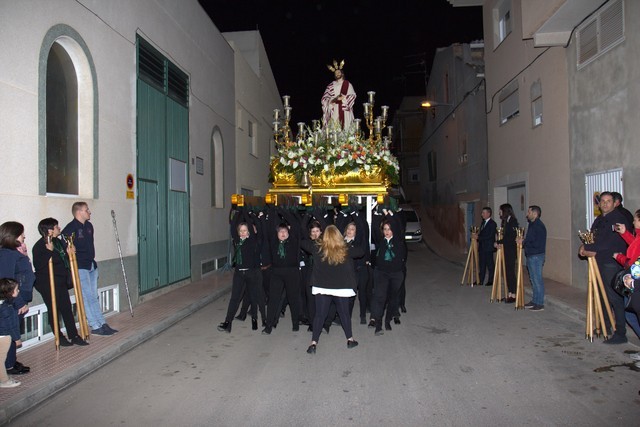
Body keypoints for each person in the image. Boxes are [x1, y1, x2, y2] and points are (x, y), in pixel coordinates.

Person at [579, 191, 631, 344]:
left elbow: (609, 243)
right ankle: (605, 325)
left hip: (611, 263)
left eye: (608, 201)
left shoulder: (617, 219)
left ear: (614, 203)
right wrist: (585, 245)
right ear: (599, 204)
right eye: (602, 201)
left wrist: (588, 246)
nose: (605, 203)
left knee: (614, 297)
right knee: (602, 296)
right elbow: (593, 236)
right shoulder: (600, 219)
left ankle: (621, 333)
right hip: (599, 261)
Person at [301, 225, 362, 354]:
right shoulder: (346, 249)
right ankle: (350, 339)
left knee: (319, 315)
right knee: (344, 314)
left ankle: (313, 343)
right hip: (341, 288)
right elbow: (362, 251)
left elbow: (301, 241)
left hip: (322, 288)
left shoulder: (317, 248)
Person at [62, 202, 118, 336]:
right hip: (81, 266)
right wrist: (69, 248)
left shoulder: (89, 226)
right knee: (88, 296)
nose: (89, 212)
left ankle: (102, 323)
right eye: (87, 210)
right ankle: (95, 325)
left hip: (91, 264)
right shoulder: (70, 228)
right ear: (79, 212)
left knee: (94, 295)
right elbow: (66, 244)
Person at [32, 218, 89, 346]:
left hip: (61, 281)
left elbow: (64, 256)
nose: (59, 228)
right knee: (54, 309)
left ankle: (74, 335)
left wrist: (70, 252)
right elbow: (39, 265)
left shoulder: (57, 241)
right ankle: (59, 336)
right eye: (56, 226)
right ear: (50, 230)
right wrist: (48, 251)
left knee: (67, 307)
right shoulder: (40, 246)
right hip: (47, 283)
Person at [218, 207, 265, 333]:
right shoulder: (237, 241)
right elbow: (233, 226)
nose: (243, 233)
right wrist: (238, 212)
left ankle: (254, 319)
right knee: (235, 298)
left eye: (245, 230)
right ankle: (228, 322)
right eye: (241, 231)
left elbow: (255, 227)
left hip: (251, 273)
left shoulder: (252, 241)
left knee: (253, 296)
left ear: (249, 232)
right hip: (239, 273)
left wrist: (247, 213)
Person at [0, 221, 35, 375]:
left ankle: (12, 360)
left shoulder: (13, 253)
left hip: (18, 298)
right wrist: (19, 302)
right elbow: (7, 281)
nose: (24, 237)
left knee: (14, 331)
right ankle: (8, 365)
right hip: (14, 301)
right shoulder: (7, 255)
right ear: (13, 236)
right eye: (22, 234)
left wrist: (25, 256)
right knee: (10, 332)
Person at [260, 207, 302, 334]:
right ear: (277, 233)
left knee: (293, 298)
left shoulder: (293, 241)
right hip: (276, 273)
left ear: (288, 232)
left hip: (292, 272)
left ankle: (295, 323)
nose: (283, 233)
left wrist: (282, 210)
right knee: (273, 299)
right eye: (280, 231)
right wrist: (273, 209)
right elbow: (270, 226)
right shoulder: (274, 241)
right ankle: (268, 326)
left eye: (285, 231)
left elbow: (295, 224)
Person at [370, 209, 407, 335]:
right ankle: (378, 324)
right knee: (380, 297)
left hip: (396, 274)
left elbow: (397, 225)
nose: (387, 232)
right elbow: (375, 227)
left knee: (392, 299)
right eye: (385, 229)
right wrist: (376, 214)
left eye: (389, 229)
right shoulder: (381, 240)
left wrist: (389, 214)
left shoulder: (398, 240)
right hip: (381, 273)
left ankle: (387, 320)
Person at [612, 209, 640, 338]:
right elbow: (635, 246)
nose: (633, 222)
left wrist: (619, 257)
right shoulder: (638, 235)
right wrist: (625, 233)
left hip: (636, 283)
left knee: (630, 315)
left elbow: (632, 261)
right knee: (631, 314)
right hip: (634, 282)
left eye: (635, 219)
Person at [516, 206, 547, 311]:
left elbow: (535, 242)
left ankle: (539, 303)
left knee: (537, 280)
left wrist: (523, 242)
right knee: (533, 279)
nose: (527, 214)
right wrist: (523, 240)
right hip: (532, 255)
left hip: (536, 256)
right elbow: (530, 239)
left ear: (535, 213)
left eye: (529, 212)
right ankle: (535, 300)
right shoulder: (532, 225)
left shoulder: (538, 226)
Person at [321, 60, 356, 131]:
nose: (337, 74)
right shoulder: (330, 85)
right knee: (334, 130)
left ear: (342, 73)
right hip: (334, 110)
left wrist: (344, 98)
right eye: (336, 73)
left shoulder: (348, 84)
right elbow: (324, 98)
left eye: (339, 72)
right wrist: (331, 101)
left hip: (344, 110)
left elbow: (353, 95)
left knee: (346, 130)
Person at [0, 278, 22, 388]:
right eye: (17, 289)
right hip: (4, 336)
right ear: (10, 292)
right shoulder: (6, 308)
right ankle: (4, 381)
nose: (18, 291)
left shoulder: (4, 304)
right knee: (1, 359)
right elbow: (11, 325)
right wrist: (17, 338)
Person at [496, 204, 518, 303]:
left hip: (511, 251)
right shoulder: (505, 221)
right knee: (507, 273)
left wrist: (499, 242)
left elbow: (510, 237)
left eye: (500, 210)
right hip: (506, 250)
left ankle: (513, 294)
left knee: (510, 273)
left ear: (505, 210)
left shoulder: (512, 221)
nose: (499, 212)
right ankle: (509, 293)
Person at [474, 207, 497, 287]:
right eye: (482, 213)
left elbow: (489, 235)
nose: (482, 214)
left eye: (484, 213)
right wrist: (477, 236)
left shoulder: (492, 223)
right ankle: (480, 280)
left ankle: (491, 280)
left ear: (488, 214)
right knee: (482, 264)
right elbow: (483, 234)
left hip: (488, 247)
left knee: (490, 264)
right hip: (482, 247)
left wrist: (479, 237)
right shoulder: (483, 222)